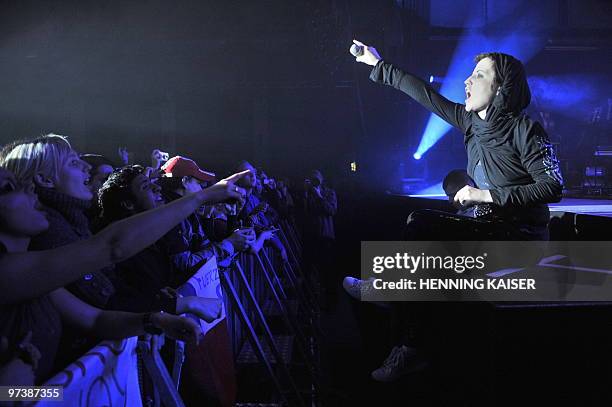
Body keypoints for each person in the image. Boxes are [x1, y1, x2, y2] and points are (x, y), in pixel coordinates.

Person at [0, 164, 249, 383]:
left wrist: (153, 320)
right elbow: (112, 246)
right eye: (9, 188)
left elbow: (95, 320)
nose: (30, 188)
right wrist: (10, 392)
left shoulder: (36, 280)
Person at [352, 40, 563, 240]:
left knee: (423, 224)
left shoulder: (525, 129)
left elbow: (552, 187)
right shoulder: (468, 120)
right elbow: (425, 94)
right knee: (419, 220)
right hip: (488, 226)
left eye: (479, 75)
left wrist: (485, 195)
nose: (467, 81)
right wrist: (377, 63)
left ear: (501, 87)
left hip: (521, 234)